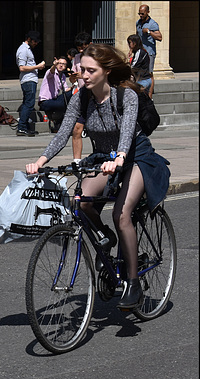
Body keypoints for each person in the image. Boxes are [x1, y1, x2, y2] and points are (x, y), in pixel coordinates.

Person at [25, 44, 170, 310]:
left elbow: (127, 132)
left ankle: (133, 282)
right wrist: (40, 161)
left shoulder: (126, 96)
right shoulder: (81, 97)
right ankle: (107, 237)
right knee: (82, 203)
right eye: (83, 70)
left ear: (106, 71)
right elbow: (63, 132)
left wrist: (120, 157)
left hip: (136, 157)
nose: (84, 75)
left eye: (91, 71)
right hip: (105, 158)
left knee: (121, 214)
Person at [15, 30, 45, 137]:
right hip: (28, 80)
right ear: (29, 39)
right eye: (34, 41)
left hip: (30, 79)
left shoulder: (27, 49)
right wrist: (38, 66)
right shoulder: (23, 50)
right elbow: (22, 67)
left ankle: (24, 126)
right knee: (29, 103)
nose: (36, 43)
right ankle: (22, 127)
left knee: (28, 103)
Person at [69, 32, 93, 159]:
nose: (81, 50)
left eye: (84, 47)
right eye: (79, 48)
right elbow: (73, 80)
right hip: (82, 94)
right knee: (77, 128)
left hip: (95, 94)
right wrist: (73, 77)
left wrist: (83, 75)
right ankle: (76, 160)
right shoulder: (76, 59)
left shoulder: (96, 57)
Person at [38, 56, 73, 132]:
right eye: (59, 63)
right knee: (65, 105)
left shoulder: (62, 76)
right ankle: (56, 122)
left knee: (70, 95)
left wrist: (74, 86)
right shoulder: (51, 72)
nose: (61, 65)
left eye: (63, 64)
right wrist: (54, 65)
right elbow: (51, 71)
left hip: (55, 100)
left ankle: (58, 125)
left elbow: (65, 89)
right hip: (45, 101)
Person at [136, 4, 162, 98]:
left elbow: (160, 37)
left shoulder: (153, 24)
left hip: (149, 52)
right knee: (139, 72)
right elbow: (137, 37)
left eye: (142, 13)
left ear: (147, 12)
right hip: (140, 52)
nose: (141, 15)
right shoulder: (138, 23)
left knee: (149, 73)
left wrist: (149, 32)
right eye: (139, 13)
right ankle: (142, 91)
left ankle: (150, 95)